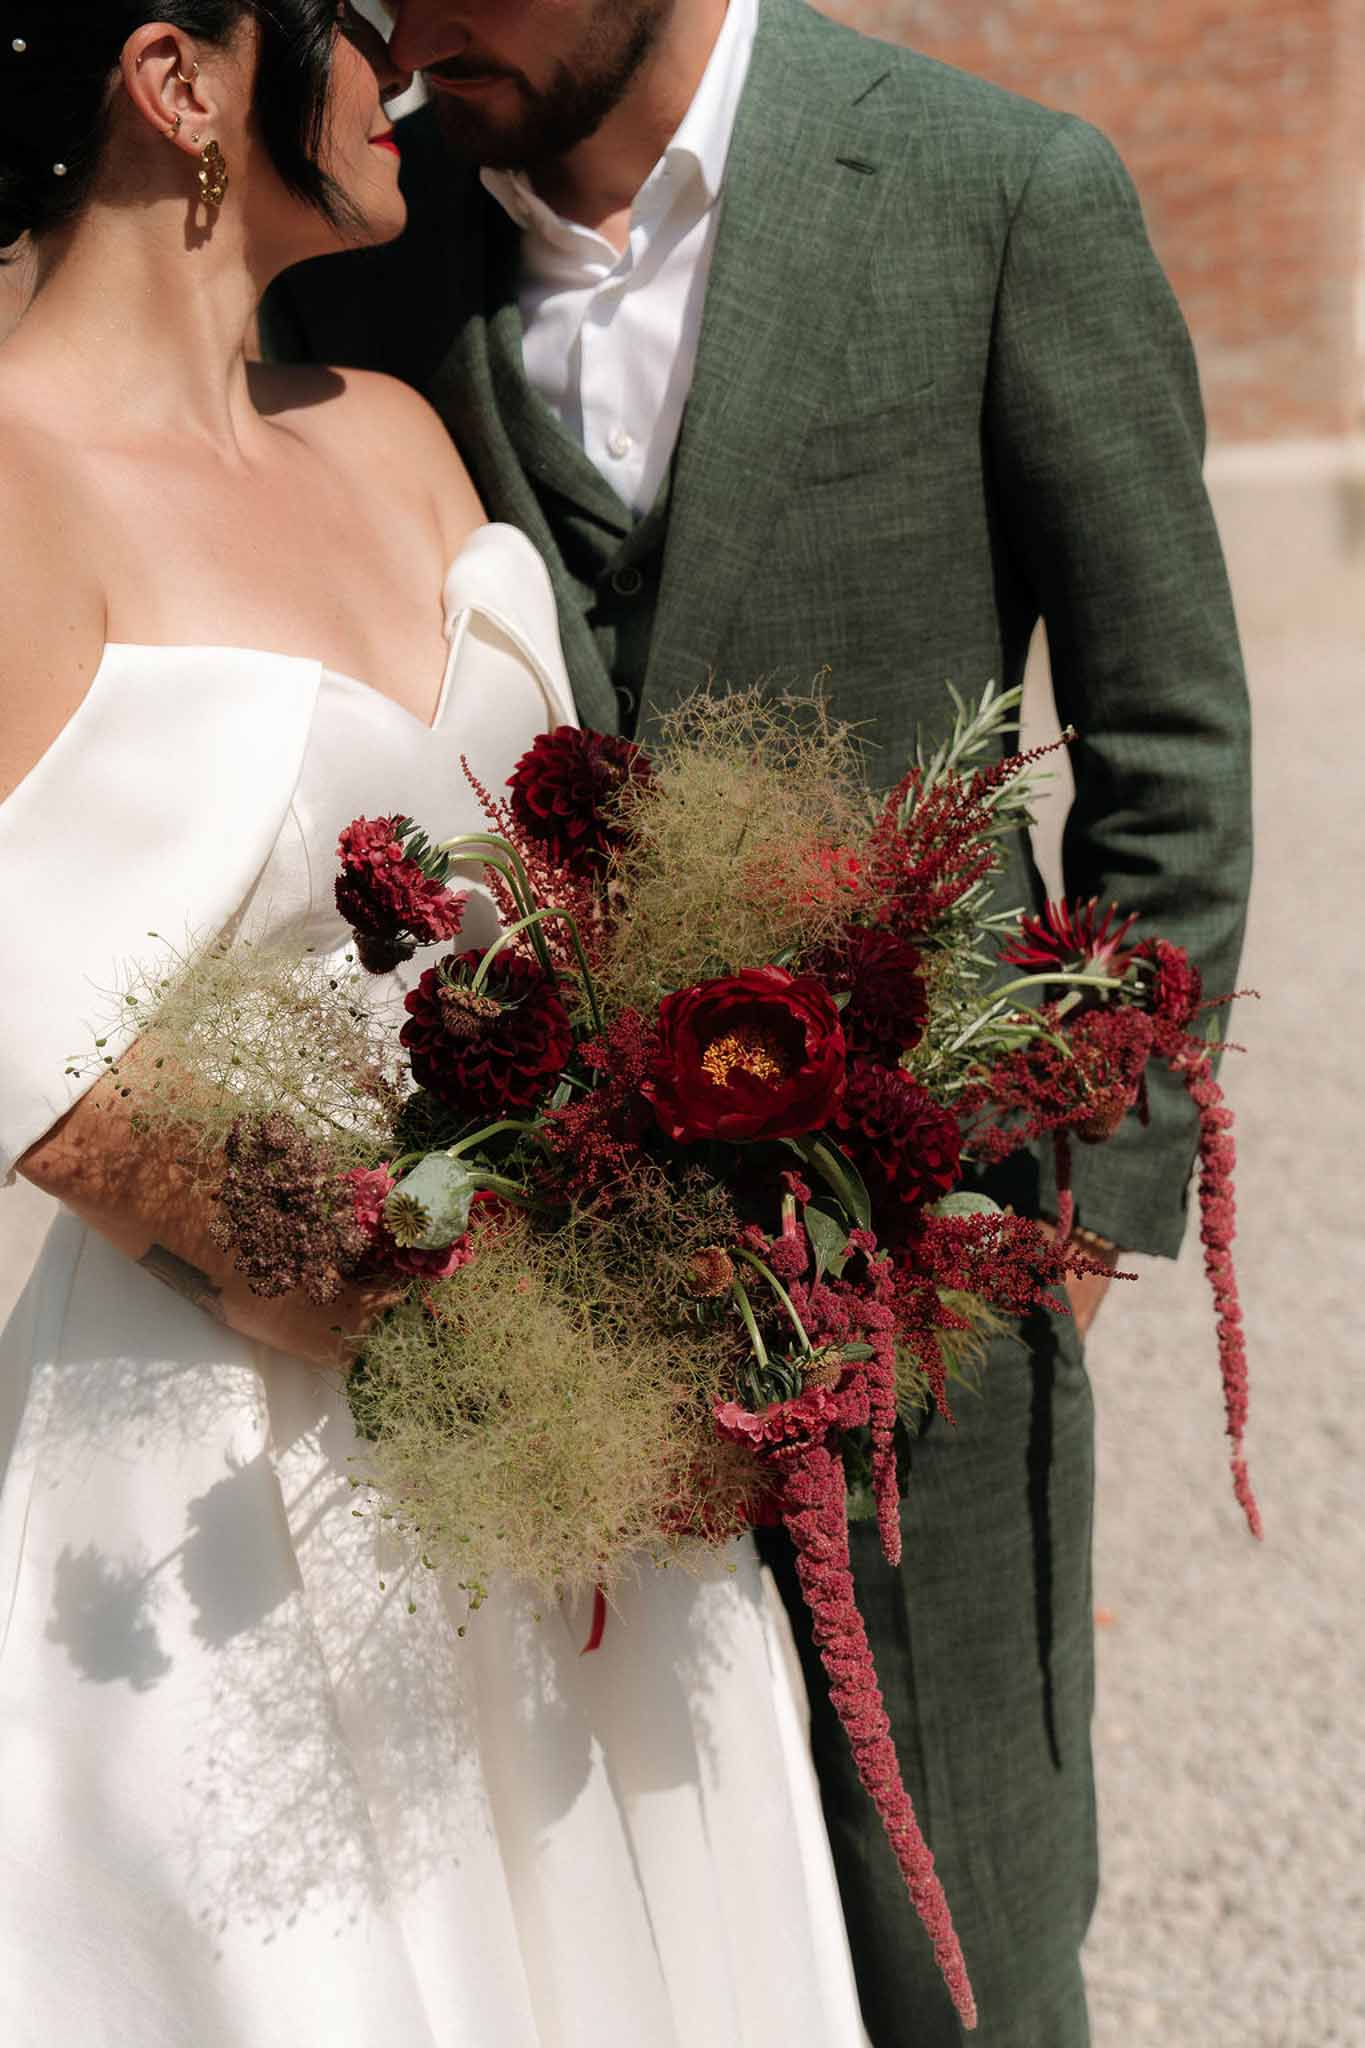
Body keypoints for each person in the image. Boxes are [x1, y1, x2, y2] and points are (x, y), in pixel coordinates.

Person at [262, 1, 1255, 2041]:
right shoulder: (378, 247)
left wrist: (1057, 1234)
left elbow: (1163, 753)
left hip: (919, 1294)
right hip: (553, 1347)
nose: (406, 20)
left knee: (951, 1939)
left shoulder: (998, 194)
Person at [0, 8, 868, 2043]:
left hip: (581, 1426)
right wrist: (486, 1355)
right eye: (346, 22)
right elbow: (69, 1098)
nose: (399, 58)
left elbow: (584, 904)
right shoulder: (10, 495)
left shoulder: (388, 421)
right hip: (238, 1462)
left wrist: (683, 1273)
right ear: (178, 79)